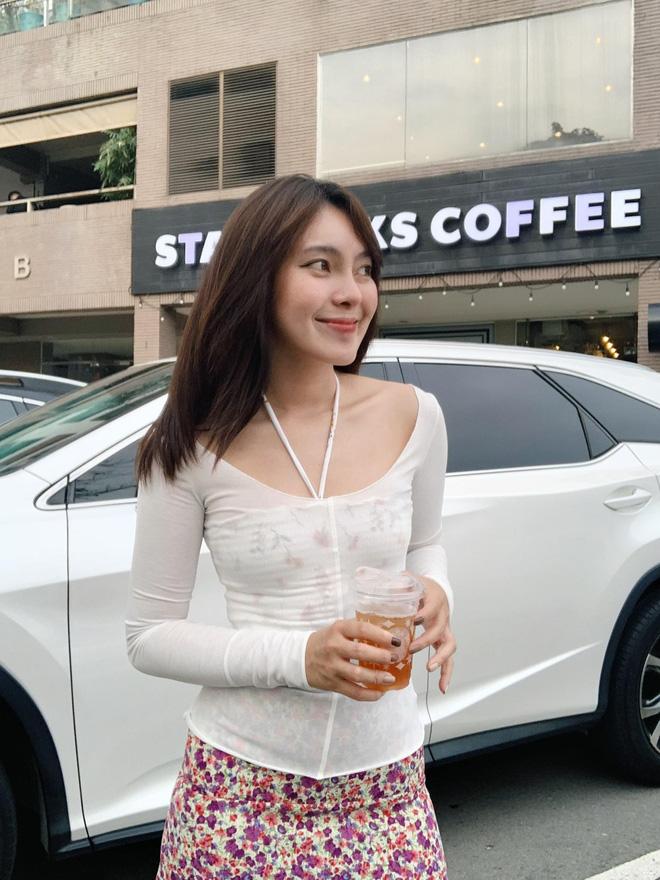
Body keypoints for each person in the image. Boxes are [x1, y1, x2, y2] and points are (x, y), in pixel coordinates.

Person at [126, 173, 457, 879]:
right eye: (320, 266)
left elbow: (426, 542)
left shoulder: (415, 414)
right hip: (239, 794)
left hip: (387, 787)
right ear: (256, 278)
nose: (353, 293)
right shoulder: (190, 442)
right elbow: (149, 636)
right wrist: (300, 658)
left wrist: (437, 591)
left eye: (364, 270)